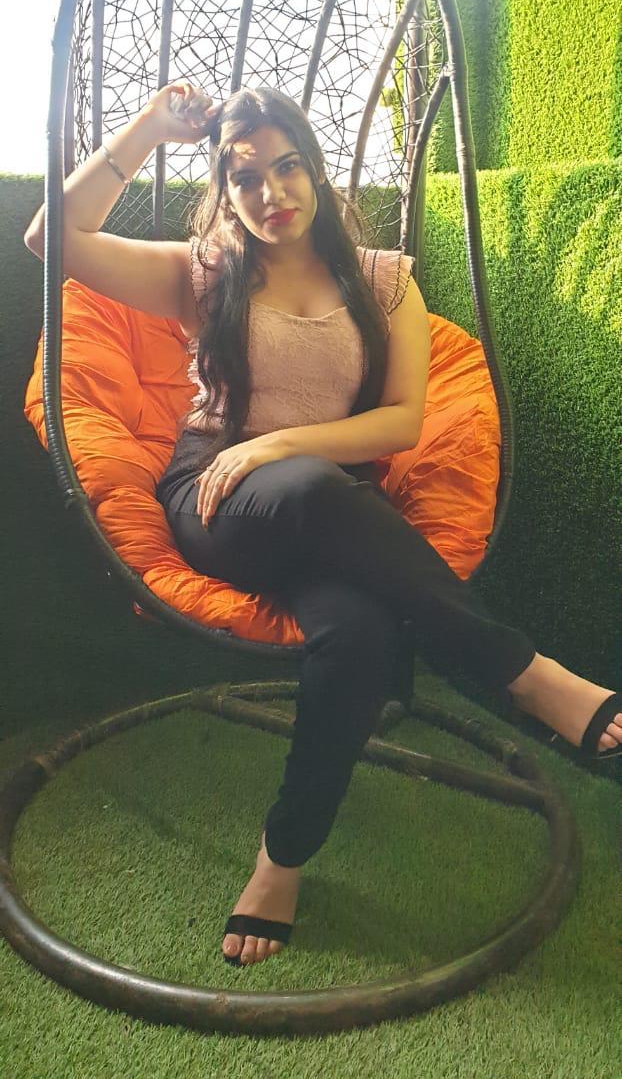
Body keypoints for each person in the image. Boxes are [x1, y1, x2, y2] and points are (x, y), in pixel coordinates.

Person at [24, 80, 622, 970]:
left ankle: (284, 855)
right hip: (220, 501)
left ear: (314, 168)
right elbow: (50, 240)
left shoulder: (385, 283)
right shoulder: (204, 274)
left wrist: (282, 443)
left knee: (360, 632)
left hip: (335, 509)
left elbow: (402, 424)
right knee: (309, 490)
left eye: (287, 167)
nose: (271, 192)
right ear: (225, 191)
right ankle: (523, 673)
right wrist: (148, 128)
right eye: (245, 177)